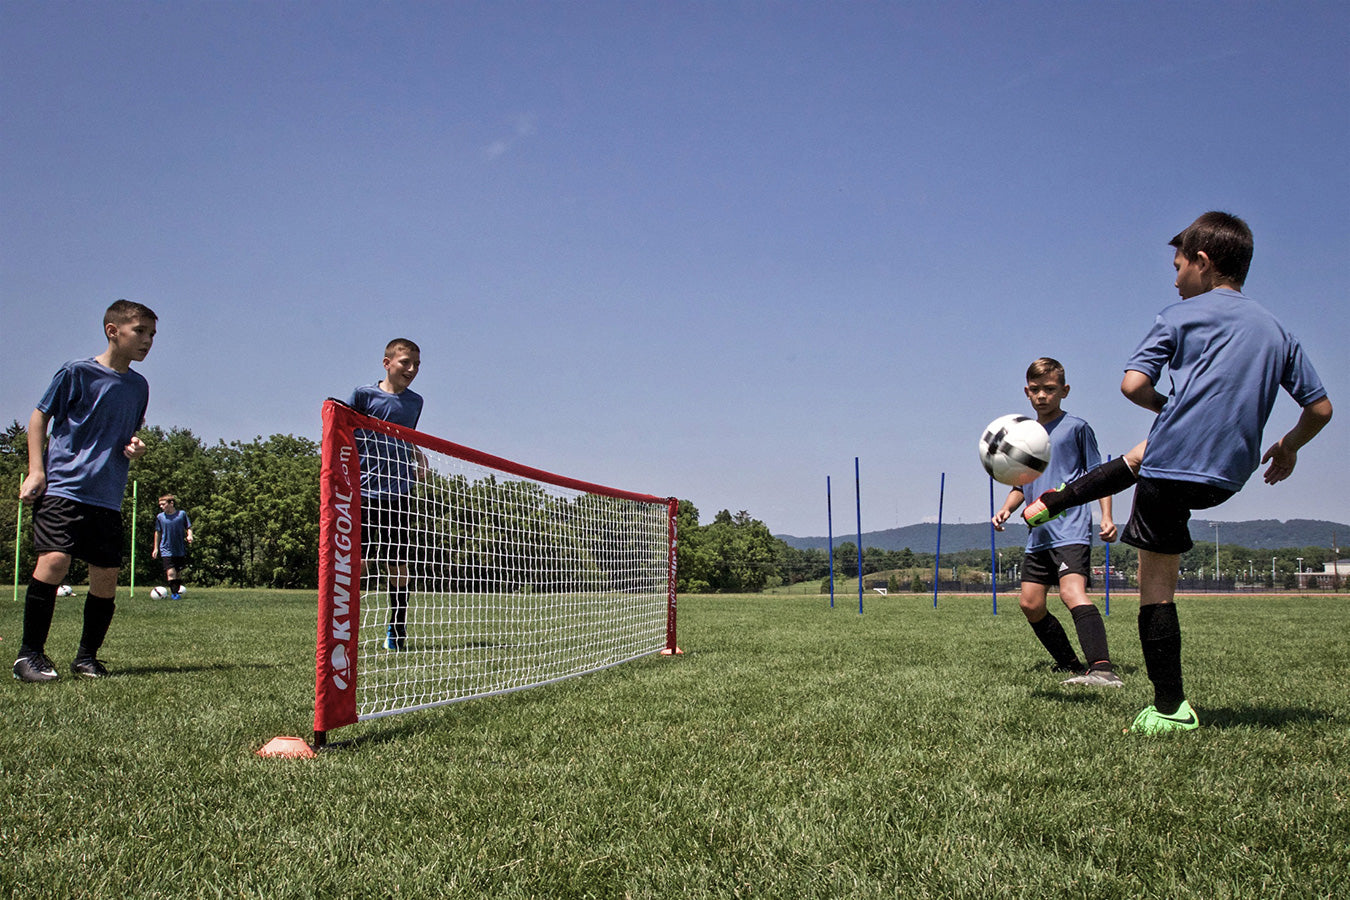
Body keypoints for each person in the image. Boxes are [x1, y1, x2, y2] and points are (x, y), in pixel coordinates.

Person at [1023, 212, 1332, 734]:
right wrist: (1288, 446)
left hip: (1171, 471)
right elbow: (1320, 409)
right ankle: (1051, 503)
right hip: (1229, 473)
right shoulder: (1279, 331)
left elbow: (1132, 385)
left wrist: (1169, 407)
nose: (1174, 279)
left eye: (1178, 266)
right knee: (1139, 456)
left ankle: (1170, 708)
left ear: (1202, 262)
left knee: (1157, 586)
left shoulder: (1178, 316)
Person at [13, 299, 156, 682]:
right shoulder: (76, 372)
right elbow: (39, 416)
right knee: (55, 561)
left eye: (152, 334)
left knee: (106, 577)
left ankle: (87, 659)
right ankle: (29, 656)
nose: (148, 340)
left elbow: (125, 433)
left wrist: (135, 447)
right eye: (140, 331)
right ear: (113, 331)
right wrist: (36, 471)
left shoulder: (139, 386)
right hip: (63, 487)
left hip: (107, 495)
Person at [993, 358, 1121, 688]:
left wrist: (1106, 517)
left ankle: (1103, 669)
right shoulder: (1024, 435)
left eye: (1050, 389)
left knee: (1071, 592)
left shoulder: (1077, 428)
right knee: (1030, 603)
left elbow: (1099, 477)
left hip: (1070, 528)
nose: (1042, 396)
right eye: (1035, 390)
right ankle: (1068, 664)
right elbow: (1021, 484)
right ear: (1026, 392)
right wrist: (1006, 509)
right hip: (1039, 534)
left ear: (1064, 391)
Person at [347, 338, 424, 651]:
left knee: (398, 563)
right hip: (364, 491)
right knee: (358, 561)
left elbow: (404, 437)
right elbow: (343, 432)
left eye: (416, 364)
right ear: (387, 363)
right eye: (406, 362)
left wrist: (418, 455)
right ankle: (343, 626)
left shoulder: (416, 402)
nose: (411, 369)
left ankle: (396, 627)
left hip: (399, 492)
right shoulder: (363, 395)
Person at [152, 493, 193, 599]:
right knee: (170, 572)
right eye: (160, 505)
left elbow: (188, 527)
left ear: (171, 503)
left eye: (163, 504)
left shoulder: (181, 514)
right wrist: (156, 548)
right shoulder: (160, 517)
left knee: (178, 573)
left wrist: (189, 535)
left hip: (179, 548)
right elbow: (158, 532)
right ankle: (174, 595)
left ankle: (176, 590)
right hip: (166, 548)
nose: (161, 507)